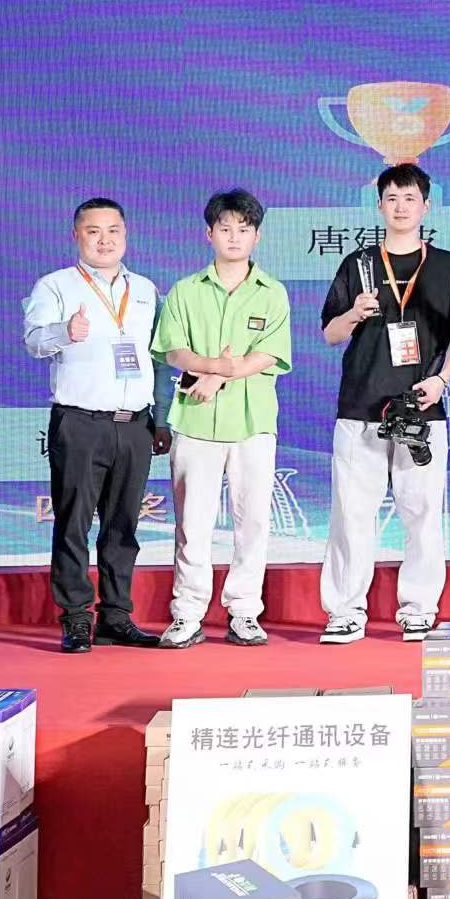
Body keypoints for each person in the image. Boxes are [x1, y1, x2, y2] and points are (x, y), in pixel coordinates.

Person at [317, 164, 450, 643]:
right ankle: (345, 610)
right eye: (392, 198)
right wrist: (353, 312)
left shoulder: (446, 266)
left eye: (410, 198)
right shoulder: (359, 263)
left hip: (422, 406)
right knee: (351, 514)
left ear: (426, 206)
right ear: (380, 205)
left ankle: (419, 607)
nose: (401, 207)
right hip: (360, 404)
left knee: (422, 513)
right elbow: (330, 333)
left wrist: (442, 379)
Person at [22, 198, 174, 654]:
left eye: (113, 231)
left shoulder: (144, 290)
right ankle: (75, 618)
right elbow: (33, 341)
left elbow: (158, 358)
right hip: (80, 422)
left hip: (135, 425)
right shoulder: (55, 285)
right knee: (73, 523)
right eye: (93, 231)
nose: (104, 240)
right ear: (77, 235)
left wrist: (161, 418)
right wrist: (64, 332)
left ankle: (116, 617)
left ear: (125, 235)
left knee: (123, 524)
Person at [151, 189, 293, 649]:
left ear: (257, 236)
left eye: (243, 229)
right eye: (225, 228)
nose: (234, 237)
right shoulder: (185, 291)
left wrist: (220, 375)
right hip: (196, 418)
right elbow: (173, 350)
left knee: (252, 520)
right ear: (208, 233)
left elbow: (268, 354)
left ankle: (245, 611)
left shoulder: (272, 293)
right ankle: (187, 613)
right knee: (192, 523)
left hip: (254, 421)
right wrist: (213, 368)